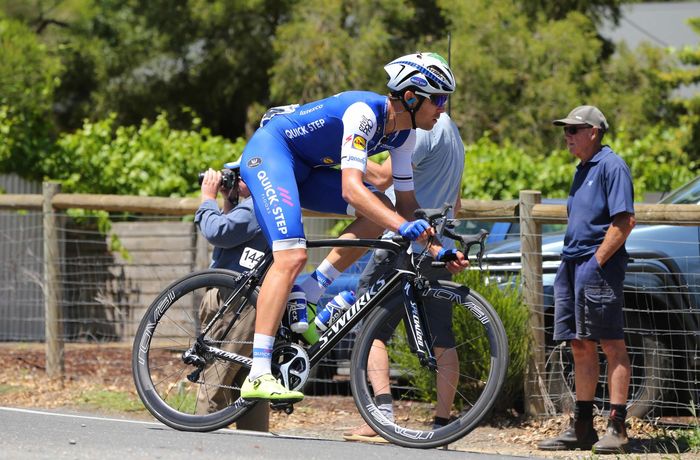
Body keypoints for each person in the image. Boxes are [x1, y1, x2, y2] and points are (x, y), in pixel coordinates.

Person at [238, 52, 469, 402]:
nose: (442, 109)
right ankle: (257, 373)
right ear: (410, 97)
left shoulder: (402, 136)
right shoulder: (365, 114)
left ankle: (313, 289)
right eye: (437, 99)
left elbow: (407, 206)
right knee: (291, 256)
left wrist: (438, 249)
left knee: (385, 208)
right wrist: (401, 226)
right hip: (273, 152)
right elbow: (352, 188)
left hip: (309, 168)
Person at [342, 112, 466, 443]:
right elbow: (457, 202)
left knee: (370, 326)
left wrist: (346, 152)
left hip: (403, 243)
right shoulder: (455, 138)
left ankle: (379, 418)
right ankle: (443, 424)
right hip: (439, 244)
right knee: (442, 337)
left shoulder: (425, 130)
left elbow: (382, 178)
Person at [537, 105, 635, 454]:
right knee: (578, 343)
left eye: (574, 129)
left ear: (594, 131)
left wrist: (596, 262)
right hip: (571, 264)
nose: (568, 135)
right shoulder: (582, 169)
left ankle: (618, 426)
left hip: (598, 266)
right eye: (566, 129)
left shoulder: (612, 165)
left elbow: (624, 222)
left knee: (611, 344)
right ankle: (582, 427)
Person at [193, 165, 270, 431]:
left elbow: (218, 232)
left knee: (217, 373)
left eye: (238, 174)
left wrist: (207, 199)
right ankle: (254, 441)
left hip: (235, 302)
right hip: (255, 300)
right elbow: (233, 239)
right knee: (248, 377)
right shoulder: (265, 204)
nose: (234, 179)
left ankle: (205, 435)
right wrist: (228, 200)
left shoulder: (256, 205)